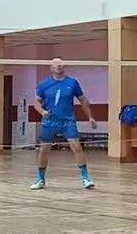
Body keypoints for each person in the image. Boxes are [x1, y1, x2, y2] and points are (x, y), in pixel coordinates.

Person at [31, 58, 97, 190]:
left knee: (77, 146)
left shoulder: (72, 82)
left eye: (61, 64)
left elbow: (83, 100)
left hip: (68, 121)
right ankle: (40, 179)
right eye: (56, 64)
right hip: (50, 122)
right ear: (51, 68)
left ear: (64, 66)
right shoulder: (44, 84)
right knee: (44, 149)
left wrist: (90, 117)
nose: (59, 66)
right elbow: (36, 102)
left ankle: (86, 178)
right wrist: (42, 111)